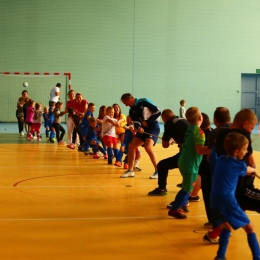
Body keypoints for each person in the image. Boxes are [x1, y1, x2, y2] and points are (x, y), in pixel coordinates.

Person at [203, 109, 259, 244]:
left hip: (225, 186)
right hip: (241, 187)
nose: (251, 131)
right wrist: (251, 172)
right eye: (252, 127)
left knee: (234, 210)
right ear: (245, 125)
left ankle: (213, 234)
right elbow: (251, 162)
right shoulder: (242, 136)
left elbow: (210, 157)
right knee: (240, 205)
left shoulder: (220, 133)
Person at [211, 132, 259, 260]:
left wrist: (215, 146)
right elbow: (248, 170)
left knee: (226, 226)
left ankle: (220, 256)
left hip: (215, 199)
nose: (246, 152)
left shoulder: (221, 159)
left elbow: (212, 155)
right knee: (250, 228)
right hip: (228, 200)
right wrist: (254, 170)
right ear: (237, 151)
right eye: (245, 149)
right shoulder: (239, 165)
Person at [168, 107, 209, 219]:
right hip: (190, 164)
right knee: (187, 188)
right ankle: (174, 209)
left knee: (189, 184)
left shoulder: (190, 128)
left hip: (183, 160)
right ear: (201, 117)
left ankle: (184, 203)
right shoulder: (199, 132)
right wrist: (214, 148)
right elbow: (200, 150)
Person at [148, 109, 189, 195]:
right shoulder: (182, 120)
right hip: (192, 150)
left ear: (165, 118)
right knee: (182, 164)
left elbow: (165, 145)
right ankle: (186, 182)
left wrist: (169, 141)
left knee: (162, 165)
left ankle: (162, 189)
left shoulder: (169, 123)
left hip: (187, 152)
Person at [120, 93, 161, 178]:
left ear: (129, 99)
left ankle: (158, 171)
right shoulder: (131, 111)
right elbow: (136, 121)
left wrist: (148, 122)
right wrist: (138, 127)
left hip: (153, 127)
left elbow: (157, 112)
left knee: (147, 147)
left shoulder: (144, 101)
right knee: (131, 146)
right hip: (143, 129)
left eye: (125, 103)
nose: (125, 105)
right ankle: (130, 170)